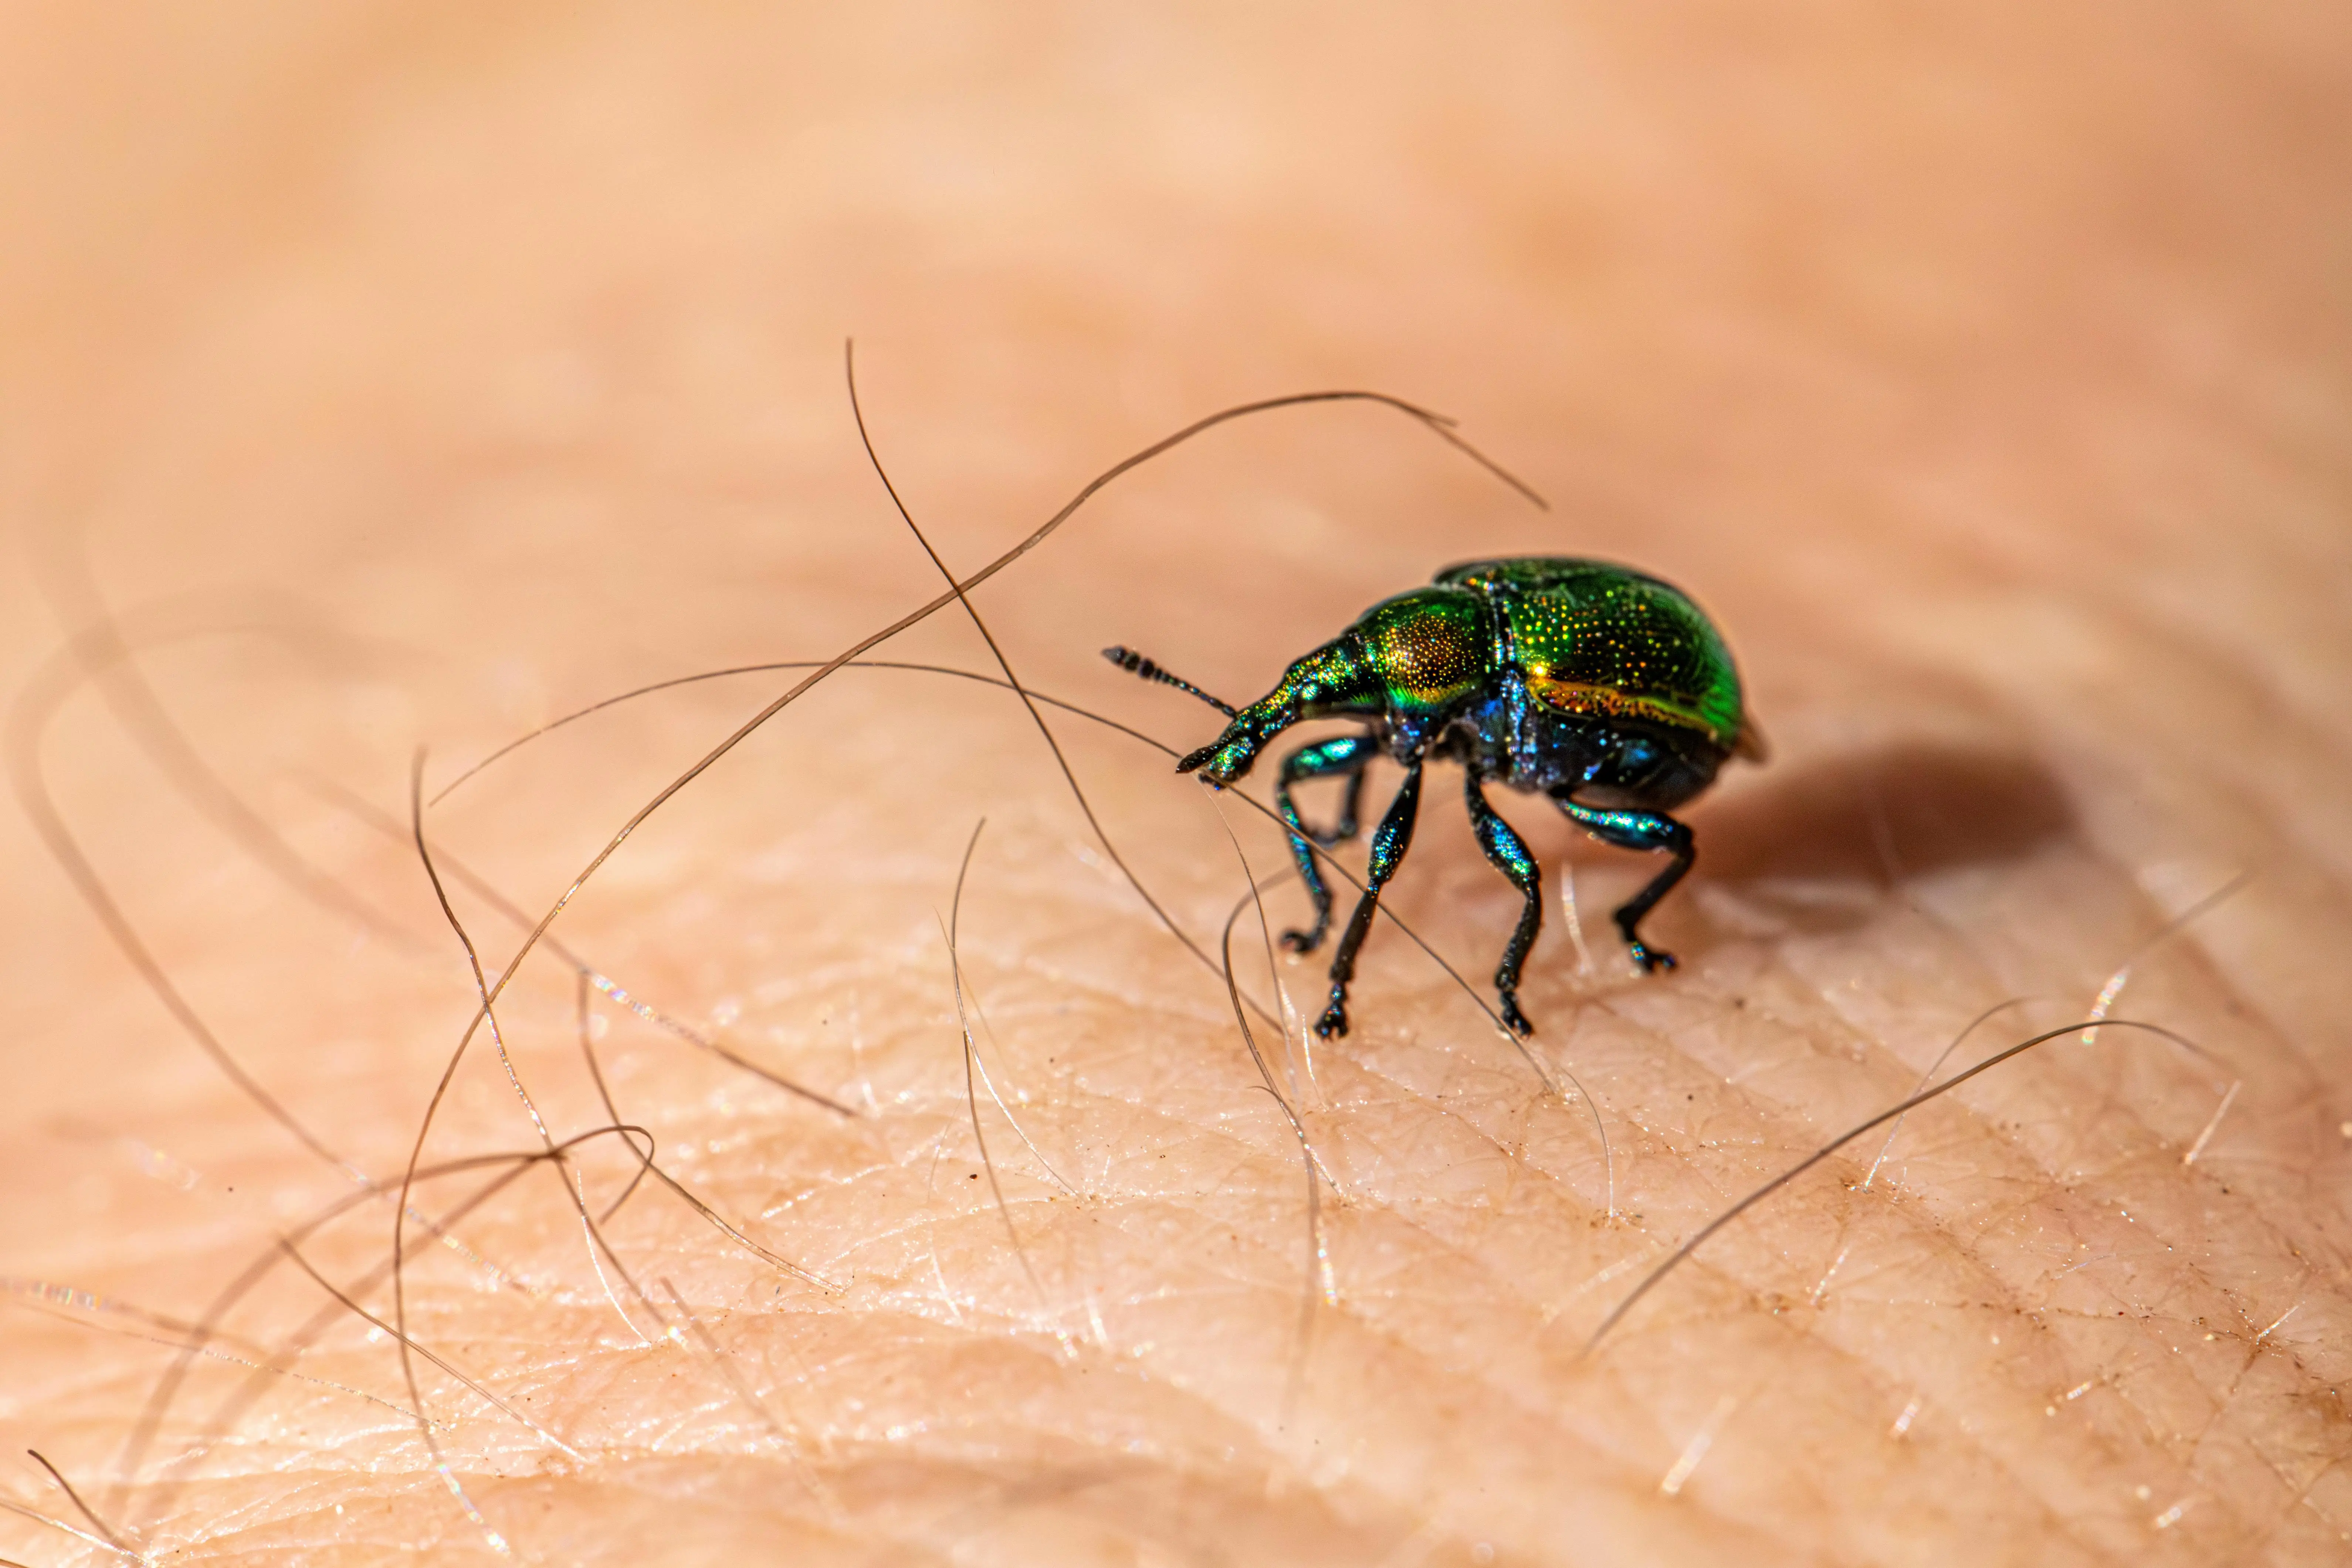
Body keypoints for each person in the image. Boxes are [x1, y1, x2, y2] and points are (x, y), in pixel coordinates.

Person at [4, 7, 2347, 1562]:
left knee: (1549, 858)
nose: (1319, 723)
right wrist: (1283, 745)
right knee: (1395, 797)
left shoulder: (1521, 698)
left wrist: (1559, 916)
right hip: (1561, 677)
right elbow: (1355, 739)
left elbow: (1521, 786)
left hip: (1649, 711)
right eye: (1325, 703)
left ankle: (1594, 941)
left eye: (1341, 697)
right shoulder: (1411, 671)